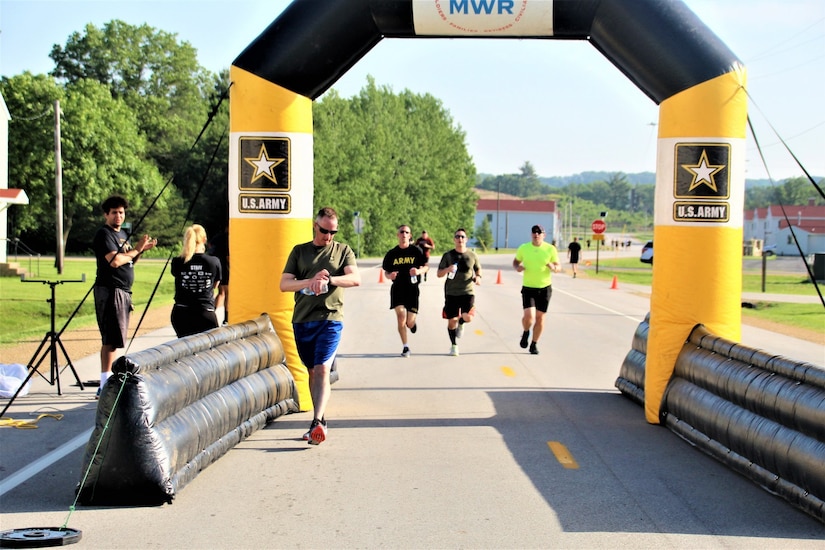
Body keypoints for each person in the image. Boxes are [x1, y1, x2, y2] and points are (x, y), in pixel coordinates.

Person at [279, 207, 360, 445]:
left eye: (333, 232)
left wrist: (330, 279)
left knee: (323, 368)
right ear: (316, 226)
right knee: (312, 371)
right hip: (303, 320)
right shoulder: (300, 251)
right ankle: (320, 419)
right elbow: (284, 284)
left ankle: (315, 422)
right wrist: (310, 281)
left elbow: (355, 279)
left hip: (330, 319)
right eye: (324, 230)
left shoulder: (343, 250)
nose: (328, 236)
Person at [92, 195, 157, 396]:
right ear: (106, 215)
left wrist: (140, 252)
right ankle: (104, 384)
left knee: (117, 337)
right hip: (109, 290)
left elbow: (128, 262)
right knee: (110, 338)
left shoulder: (123, 235)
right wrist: (135, 250)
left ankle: (109, 381)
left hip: (123, 291)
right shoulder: (104, 234)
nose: (118, 216)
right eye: (114, 213)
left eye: (121, 212)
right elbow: (114, 261)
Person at [382, 224, 429, 357]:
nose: (404, 234)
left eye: (406, 232)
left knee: (409, 322)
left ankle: (412, 324)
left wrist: (418, 271)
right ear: (398, 235)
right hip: (397, 289)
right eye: (401, 232)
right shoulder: (392, 254)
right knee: (400, 316)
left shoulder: (416, 251)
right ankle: (405, 347)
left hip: (412, 290)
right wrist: (389, 276)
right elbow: (386, 272)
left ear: (410, 235)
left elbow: (426, 267)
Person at [513, 224, 560, 355]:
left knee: (540, 318)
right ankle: (526, 331)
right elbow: (515, 262)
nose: (536, 234)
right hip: (528, 287)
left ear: (544, 235)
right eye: (534, 232)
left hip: (545, 288)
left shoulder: (550, 249)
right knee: (529, 317)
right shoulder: (524, 248)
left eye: (539, 232)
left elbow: (558, 266)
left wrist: (553, 267)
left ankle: (534, 344)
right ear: (531, 234)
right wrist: (518, 267)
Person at [170, 224, 222, 338]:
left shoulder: (177, 261)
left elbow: (176, 276)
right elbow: (215, 285)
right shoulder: (213, 261)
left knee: (184, 349)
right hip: (204, 312)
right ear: (204, 240)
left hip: (181, 312)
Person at [436, 228, 482, 357]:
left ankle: (462, 323)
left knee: (468, 317)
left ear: (466, 239)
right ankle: (454, 345)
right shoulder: (448, 255)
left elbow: (478, 270)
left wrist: (478, 278)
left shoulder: (472, 255)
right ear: (454, 239)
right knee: (452, 321)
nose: (460, 239)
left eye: (462, 237)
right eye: (457, 237)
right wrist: (447, 269)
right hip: (451, 292)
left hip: (467, 291)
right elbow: (439, 274)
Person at [208, 224, 230, 324]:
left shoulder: (217, 237)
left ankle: (213, 312)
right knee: (227, 294)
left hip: (215, 266)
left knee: (220, 292)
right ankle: (226, 318)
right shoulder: (228, 239)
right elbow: (228, 257)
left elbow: (210, 246)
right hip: (225, 267)